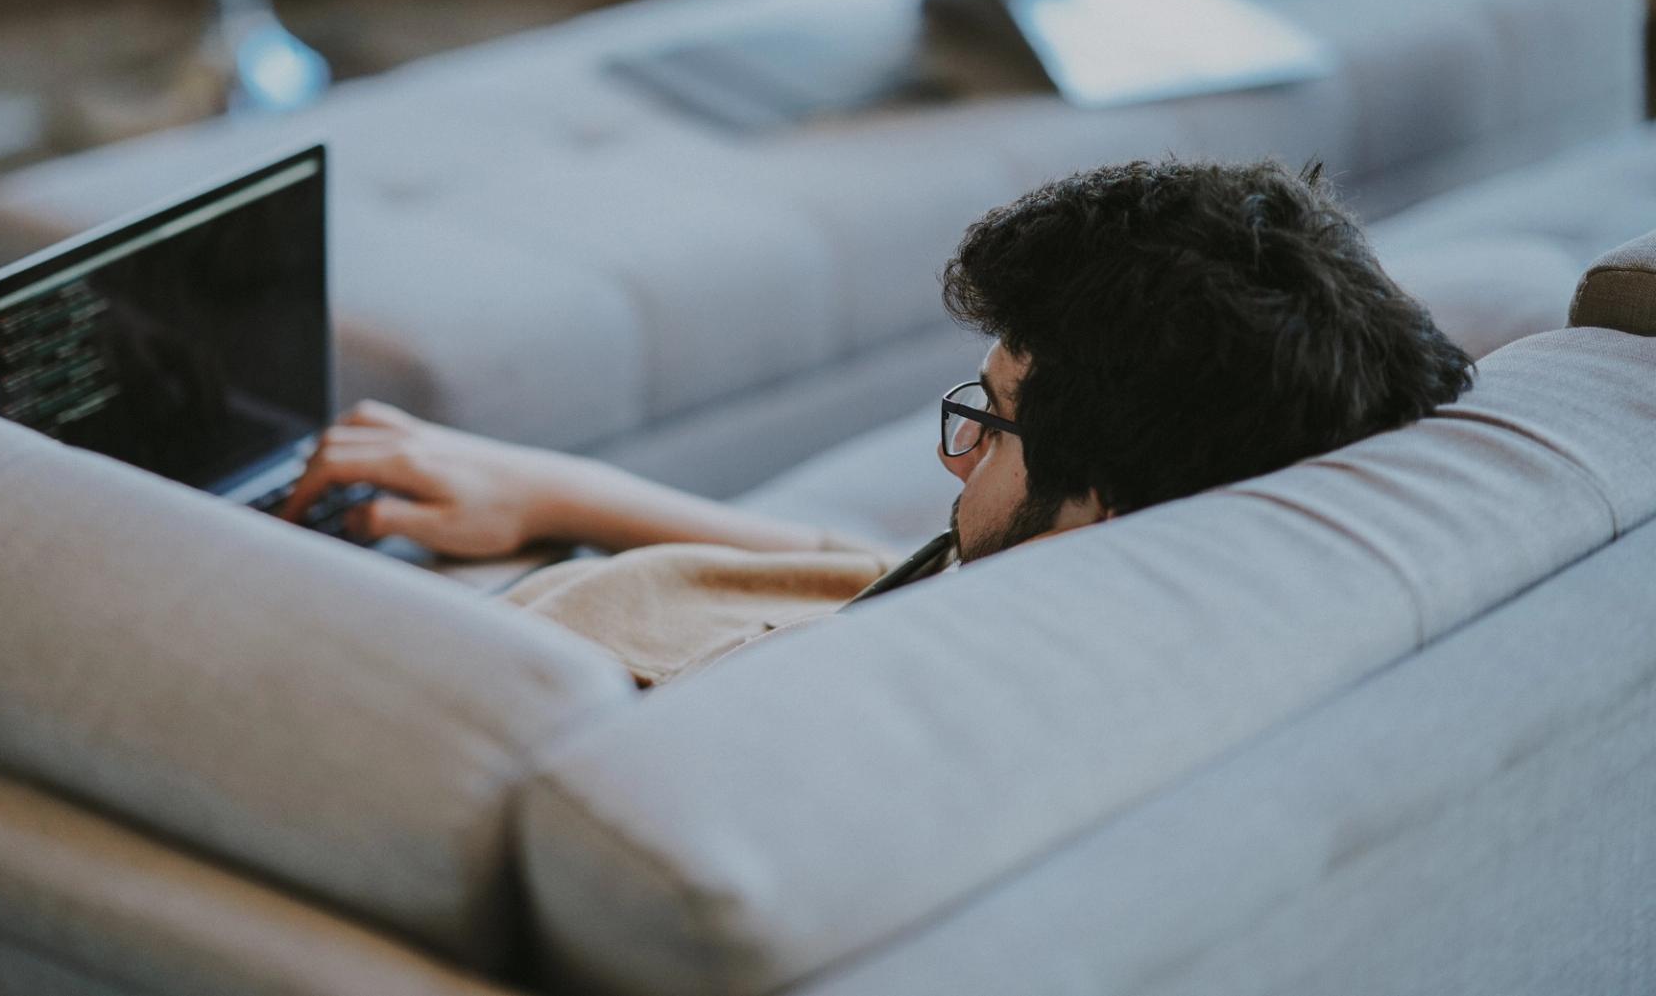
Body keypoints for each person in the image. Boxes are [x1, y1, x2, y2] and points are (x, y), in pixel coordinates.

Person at [282, 158, 1475, 685]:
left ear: (1104, 502)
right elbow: (865, 569)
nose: (960, 459)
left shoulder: (805, 731)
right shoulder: (1200, 543)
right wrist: (552, 488)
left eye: (993, 424)